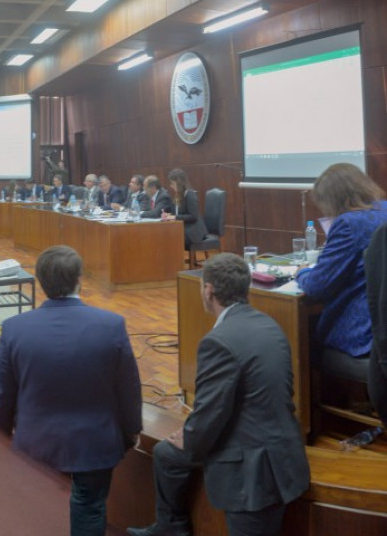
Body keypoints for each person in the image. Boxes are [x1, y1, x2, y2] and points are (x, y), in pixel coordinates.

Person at [127, 254, 310, 536]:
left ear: (208, 290)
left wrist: (189, 436)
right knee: (166, 454)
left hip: (254, 470)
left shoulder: (218, 342)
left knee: (175, 448)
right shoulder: (269, 325)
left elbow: (211, 412)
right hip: (284, 445)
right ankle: (170, 527)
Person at [0, 245, 141, 536]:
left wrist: (2, 427)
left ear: (40, 282)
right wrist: (133, 429)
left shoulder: (13, 328)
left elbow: (3, 392)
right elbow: (129, 388)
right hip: (94, 440)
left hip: (36, 439)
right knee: (89, 503)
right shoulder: (111, 325)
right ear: (79, 280)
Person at [296, 164, 387, 400]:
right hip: (382, 323)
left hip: (364, 333)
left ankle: (314, 412)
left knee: (299, 335)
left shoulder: (348, 224)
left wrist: (302, 273)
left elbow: (318, 285)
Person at [161, 168, 207, 249]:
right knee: (164, 234)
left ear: (178, 182)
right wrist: (168, 215)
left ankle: (175, 261)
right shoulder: (178, 195)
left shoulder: (190, 195)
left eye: (172, 183)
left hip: (194, 232)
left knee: (169, 237)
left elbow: (193, 217)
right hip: (184, 229)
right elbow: (176, 212)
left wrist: (174, 217)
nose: (171, 186)